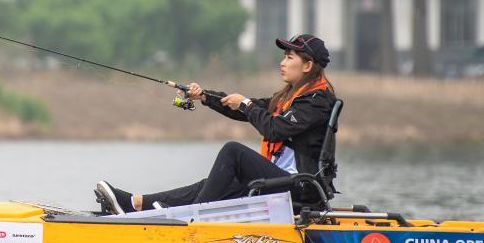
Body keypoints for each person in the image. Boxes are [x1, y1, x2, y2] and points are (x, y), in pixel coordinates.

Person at [95, 34, 336, 214]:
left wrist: (246, 105)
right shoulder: (290, 97)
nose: (283, 62)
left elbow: (274, 129)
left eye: (289, 57)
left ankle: (193, 217)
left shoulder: (317, 101)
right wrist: (204, 96)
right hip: (285, 182)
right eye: (284, 56)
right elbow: (248, 108)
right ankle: (136, 204)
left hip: (302, 188)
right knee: (213, 183)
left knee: (233, 152)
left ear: (307, 65)